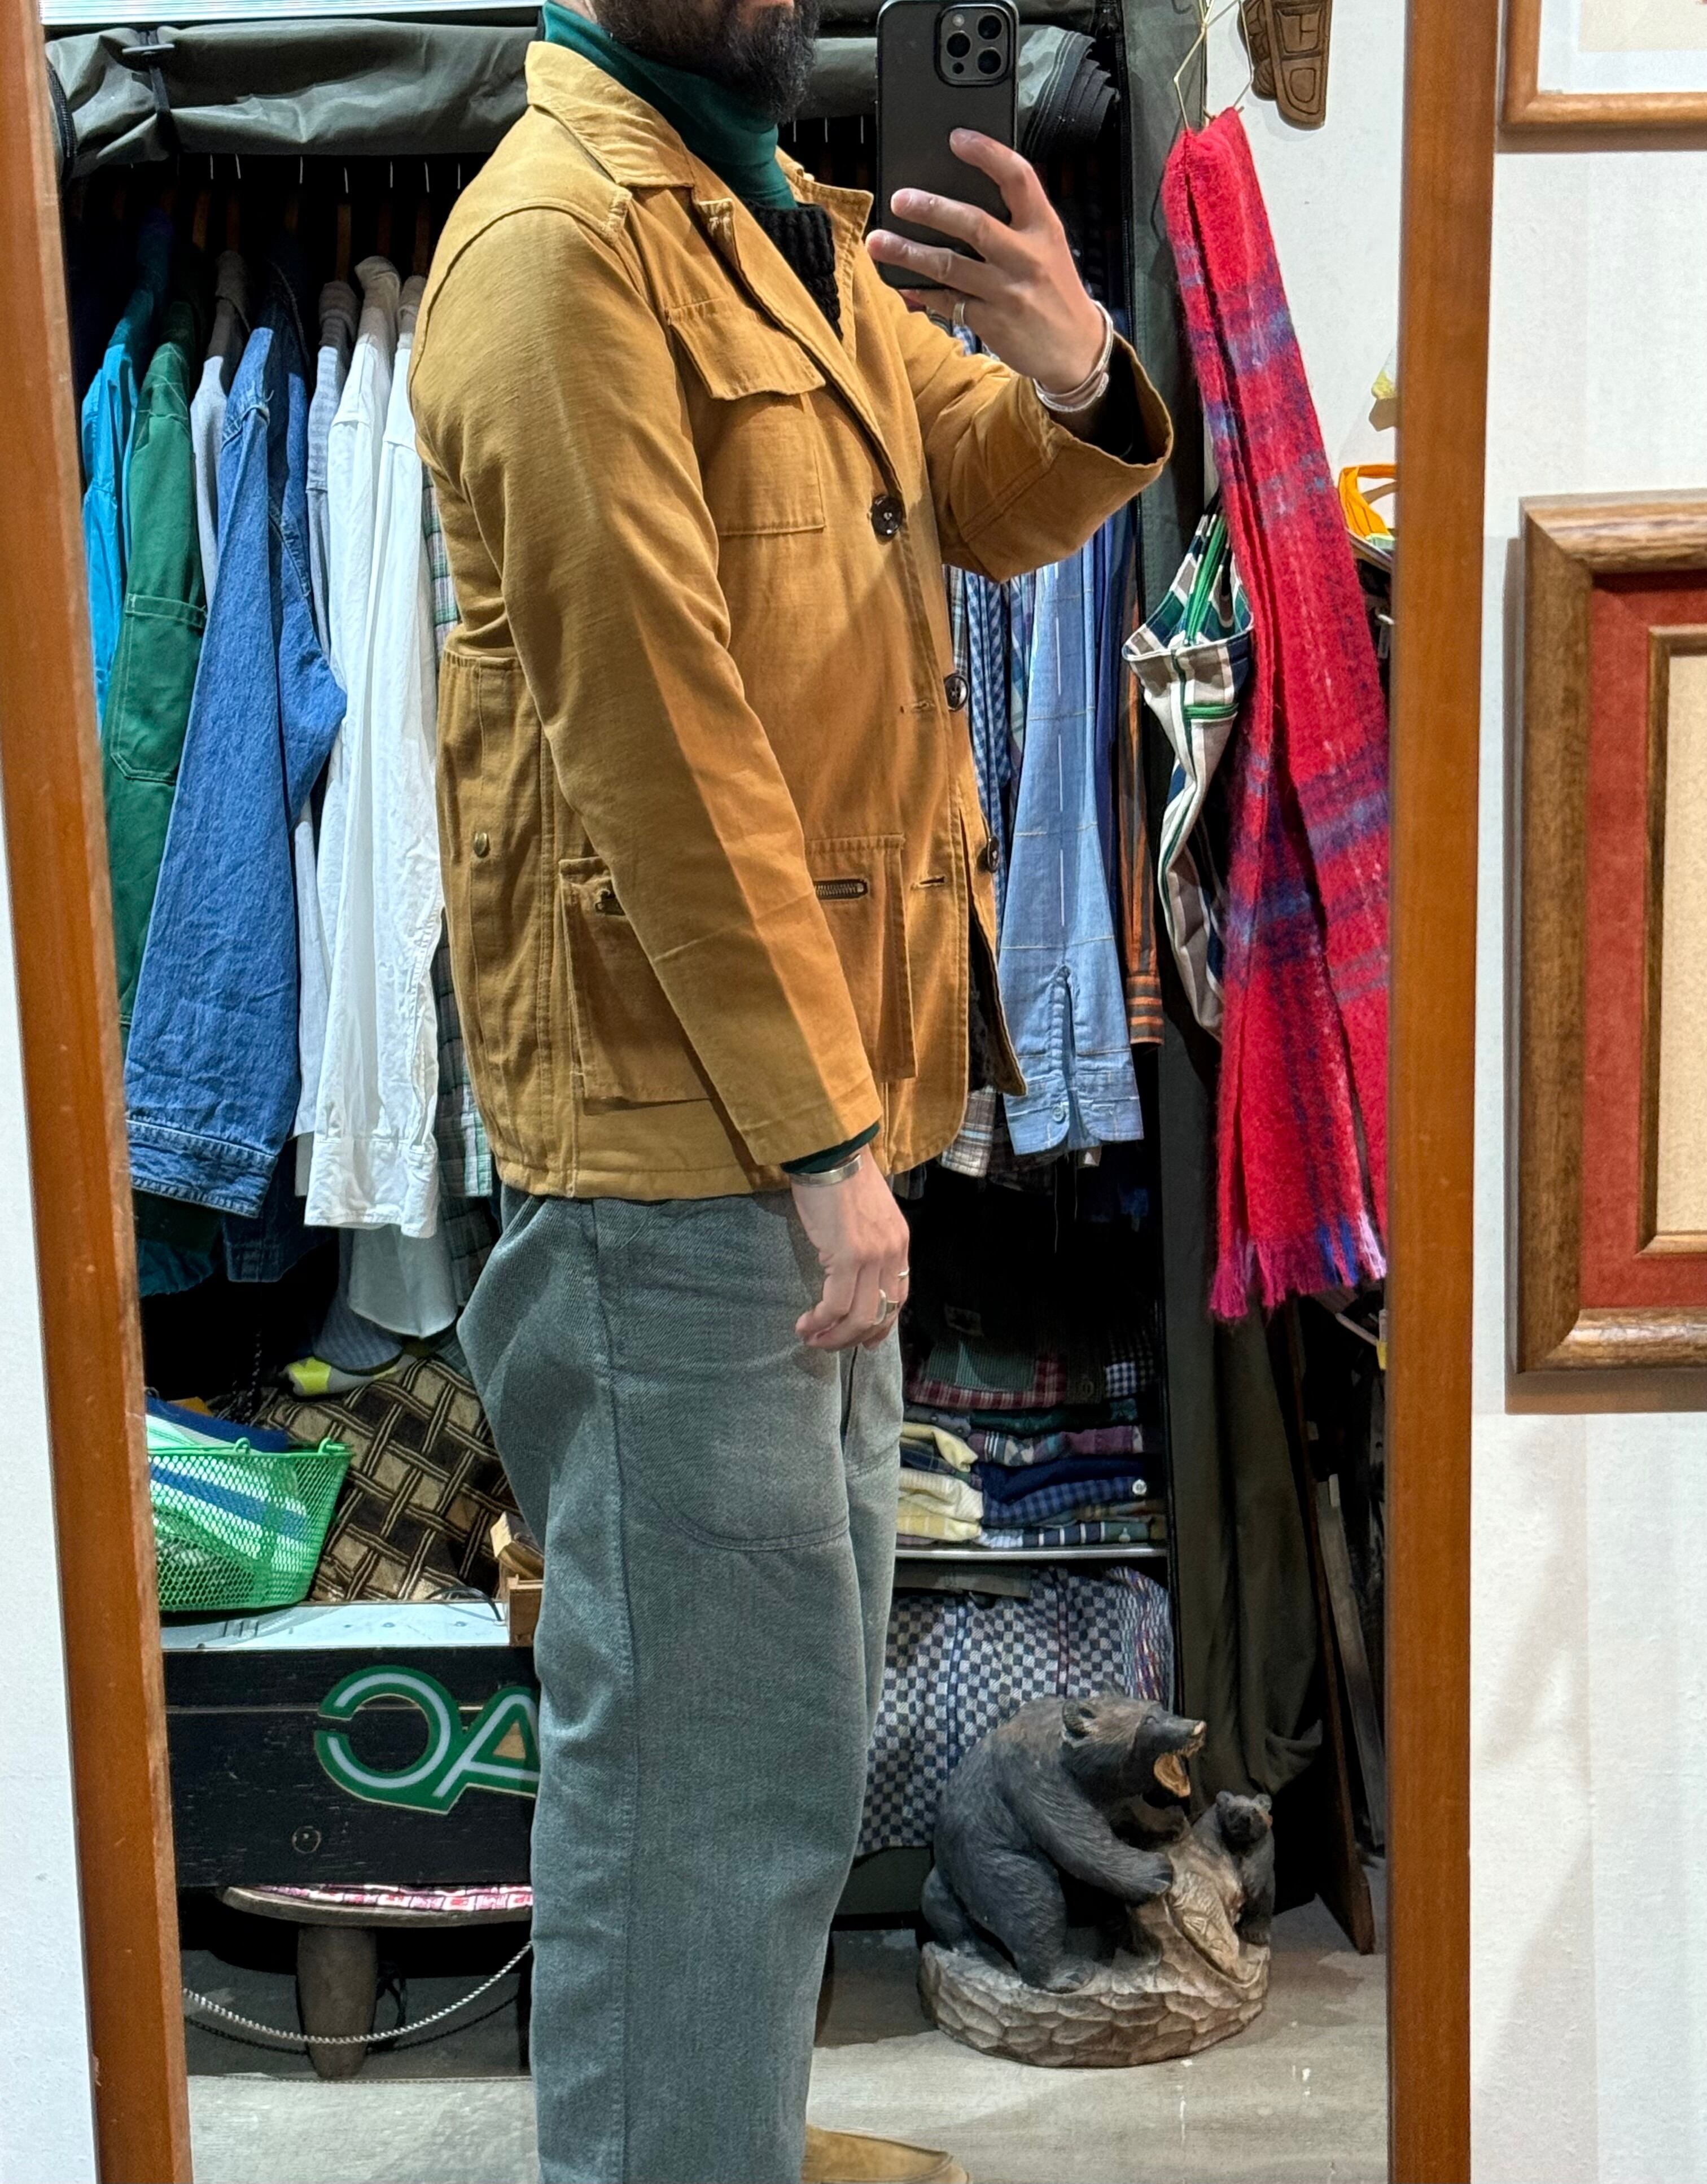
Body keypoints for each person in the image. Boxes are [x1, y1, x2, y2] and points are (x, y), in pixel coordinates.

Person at [409, 3, 1171, 2178]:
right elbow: (655, 741)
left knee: (776, 1762)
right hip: (694, 1145)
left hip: (806, 1124)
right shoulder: (558, 249)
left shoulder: (784, 224)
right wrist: (826, 1142)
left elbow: (993, 503)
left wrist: (1069, 363)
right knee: (698, 1796)